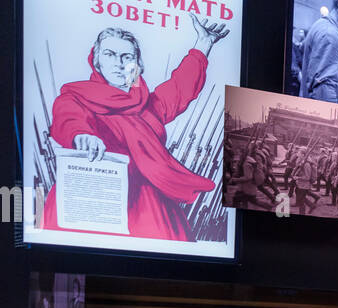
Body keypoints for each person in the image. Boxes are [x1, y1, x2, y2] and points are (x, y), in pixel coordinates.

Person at [42, 17, 229, 241]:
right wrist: (82, 136)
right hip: (92, 202)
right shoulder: (76, 97)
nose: (118, 63)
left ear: (137, 65)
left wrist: (203, 44)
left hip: (149, 209)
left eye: (127, 57)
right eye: (109, 54)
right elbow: (69, 118)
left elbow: (180, 87)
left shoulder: (147, 106)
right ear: (97, 61)